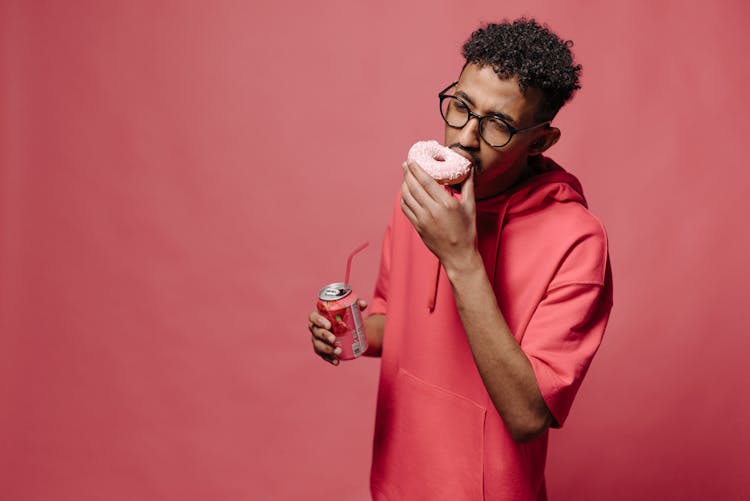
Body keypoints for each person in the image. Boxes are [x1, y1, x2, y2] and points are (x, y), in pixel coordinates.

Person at [308, 18, 613, 500]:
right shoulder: (422, 191)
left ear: (540, 142)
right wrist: (351, 333)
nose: (466, 137)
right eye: (462, 108)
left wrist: (460, 258)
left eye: (499, 125)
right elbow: (397, 317)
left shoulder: (578, 241)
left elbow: (529, 414)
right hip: (396, 478)